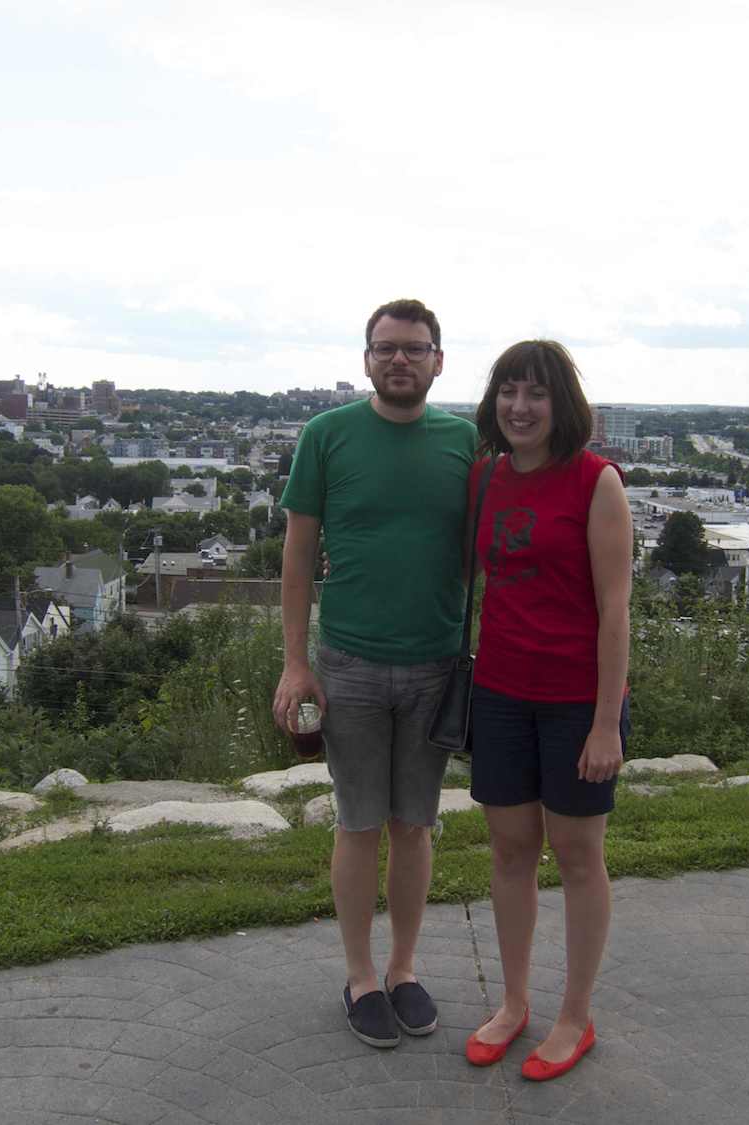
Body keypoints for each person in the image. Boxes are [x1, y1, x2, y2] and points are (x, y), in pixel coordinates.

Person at [271, 299, 477, 1049]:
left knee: (414, 826)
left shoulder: (467, 442)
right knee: (358, 824)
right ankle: (360, 976)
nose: (400, 360)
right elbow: (298, 556)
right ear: (366, 359)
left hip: (435, 665)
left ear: (438, 361)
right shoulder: (327, 437)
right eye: (386, 348)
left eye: (414, 349)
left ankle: (404, 968)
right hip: (349, 664)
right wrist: (297, 660)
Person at [460, 340, 632, 1081]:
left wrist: (604, 721)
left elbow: (616, 608)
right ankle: (515, 1001)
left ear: (562, 403)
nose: (519, 407)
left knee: (577, 855)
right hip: (499, 692)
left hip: (574, 701)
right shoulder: (485, 478)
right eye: (507, 390)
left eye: (535, 393)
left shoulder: (596, 481)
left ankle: (575, 1015)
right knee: (510, 851)